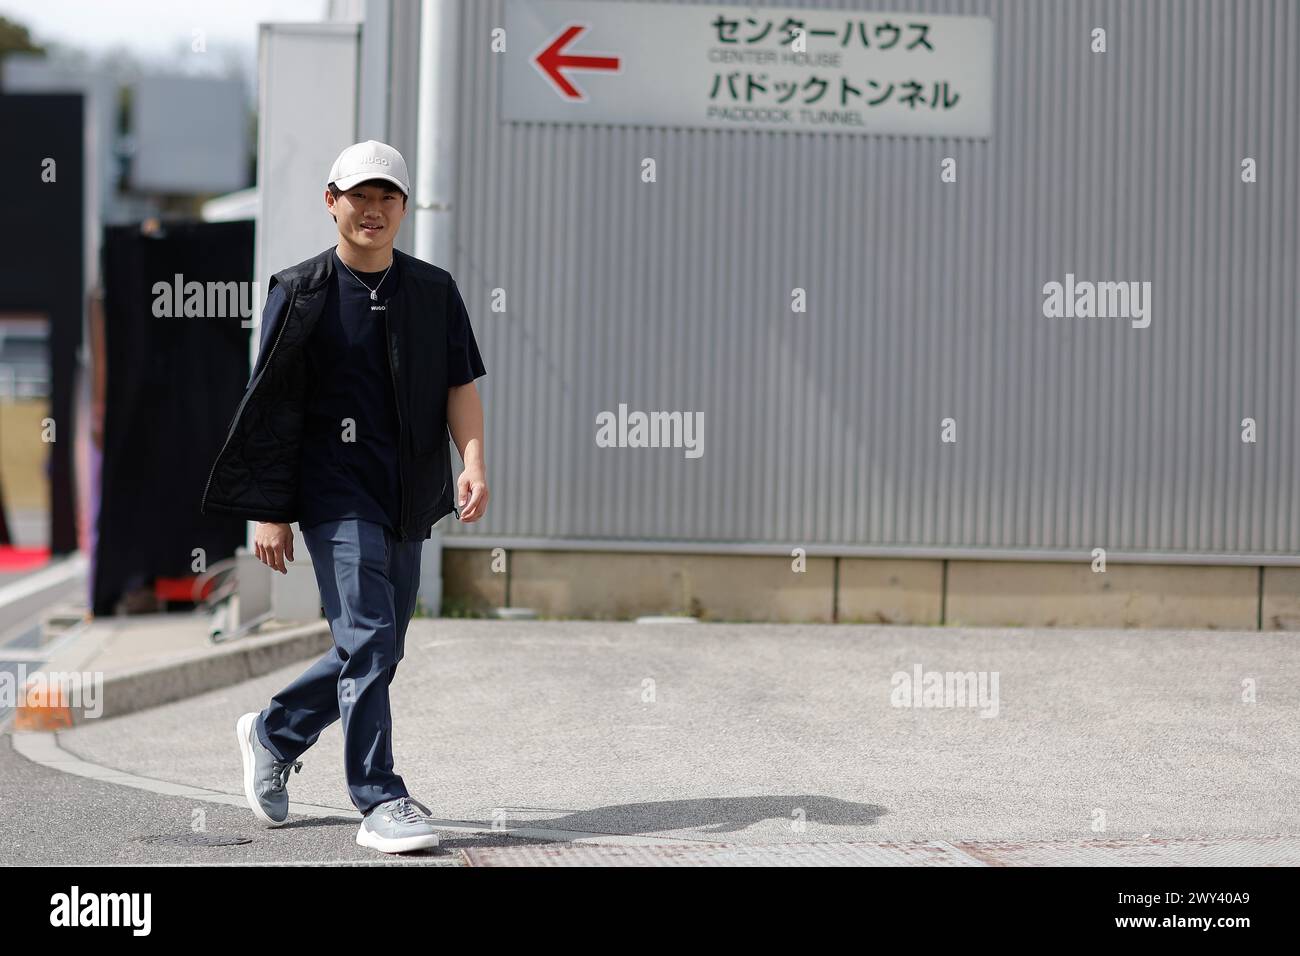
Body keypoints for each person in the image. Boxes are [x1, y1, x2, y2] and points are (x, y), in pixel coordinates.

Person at [201, 140, 488, 854]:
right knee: (367, 638)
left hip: (410, 492)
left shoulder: (433, 290)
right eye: (358, 196)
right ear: (332, 202)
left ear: (403, 208)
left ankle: (275, 730)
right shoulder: (299, 291)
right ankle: (380, 798)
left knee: (379, 648)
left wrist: (473, 461)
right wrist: (269, 508)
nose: (372, 210)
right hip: (333, 495)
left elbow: (460, 383)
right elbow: (268, 404)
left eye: (386, 197)